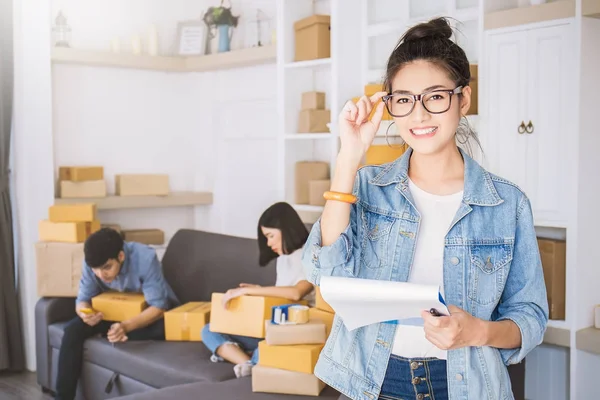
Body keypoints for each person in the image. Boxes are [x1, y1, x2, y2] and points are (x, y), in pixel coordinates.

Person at [301, 17, 548, 400]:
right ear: (390, 106)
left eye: (435, 96)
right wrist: (349, 158)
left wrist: (476, 331)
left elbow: (529, 317)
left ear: (462, 99)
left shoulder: (507, 203)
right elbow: (323, 272)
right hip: (371, 382)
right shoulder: (366, 186)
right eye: (403, 99)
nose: (418, 115)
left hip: (466, 385)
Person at [55, 228, 179, 400]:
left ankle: (112, 333)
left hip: (145, 315)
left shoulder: (145, 258)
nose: (101, 275)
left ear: (121, 256)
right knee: (72, 330)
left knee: (163, 328)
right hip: (109, 314)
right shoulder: (92, 263)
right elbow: (82, 300)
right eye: (96, 270)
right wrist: (85, 314)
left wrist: (126, 326)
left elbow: (158, 307)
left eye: (107, 268)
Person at [201, 202, 315, 378]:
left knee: (270, 342)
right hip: (274, 325)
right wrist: (260, 290)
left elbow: (296, 293)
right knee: (209, 329)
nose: (268, 243)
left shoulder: (311, 255)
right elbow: (282, 297)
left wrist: (251, 292)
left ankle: (254, 360)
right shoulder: (284, 258)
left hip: (293, 331)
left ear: (286, 229)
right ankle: (249, 364)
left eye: (270, 236)